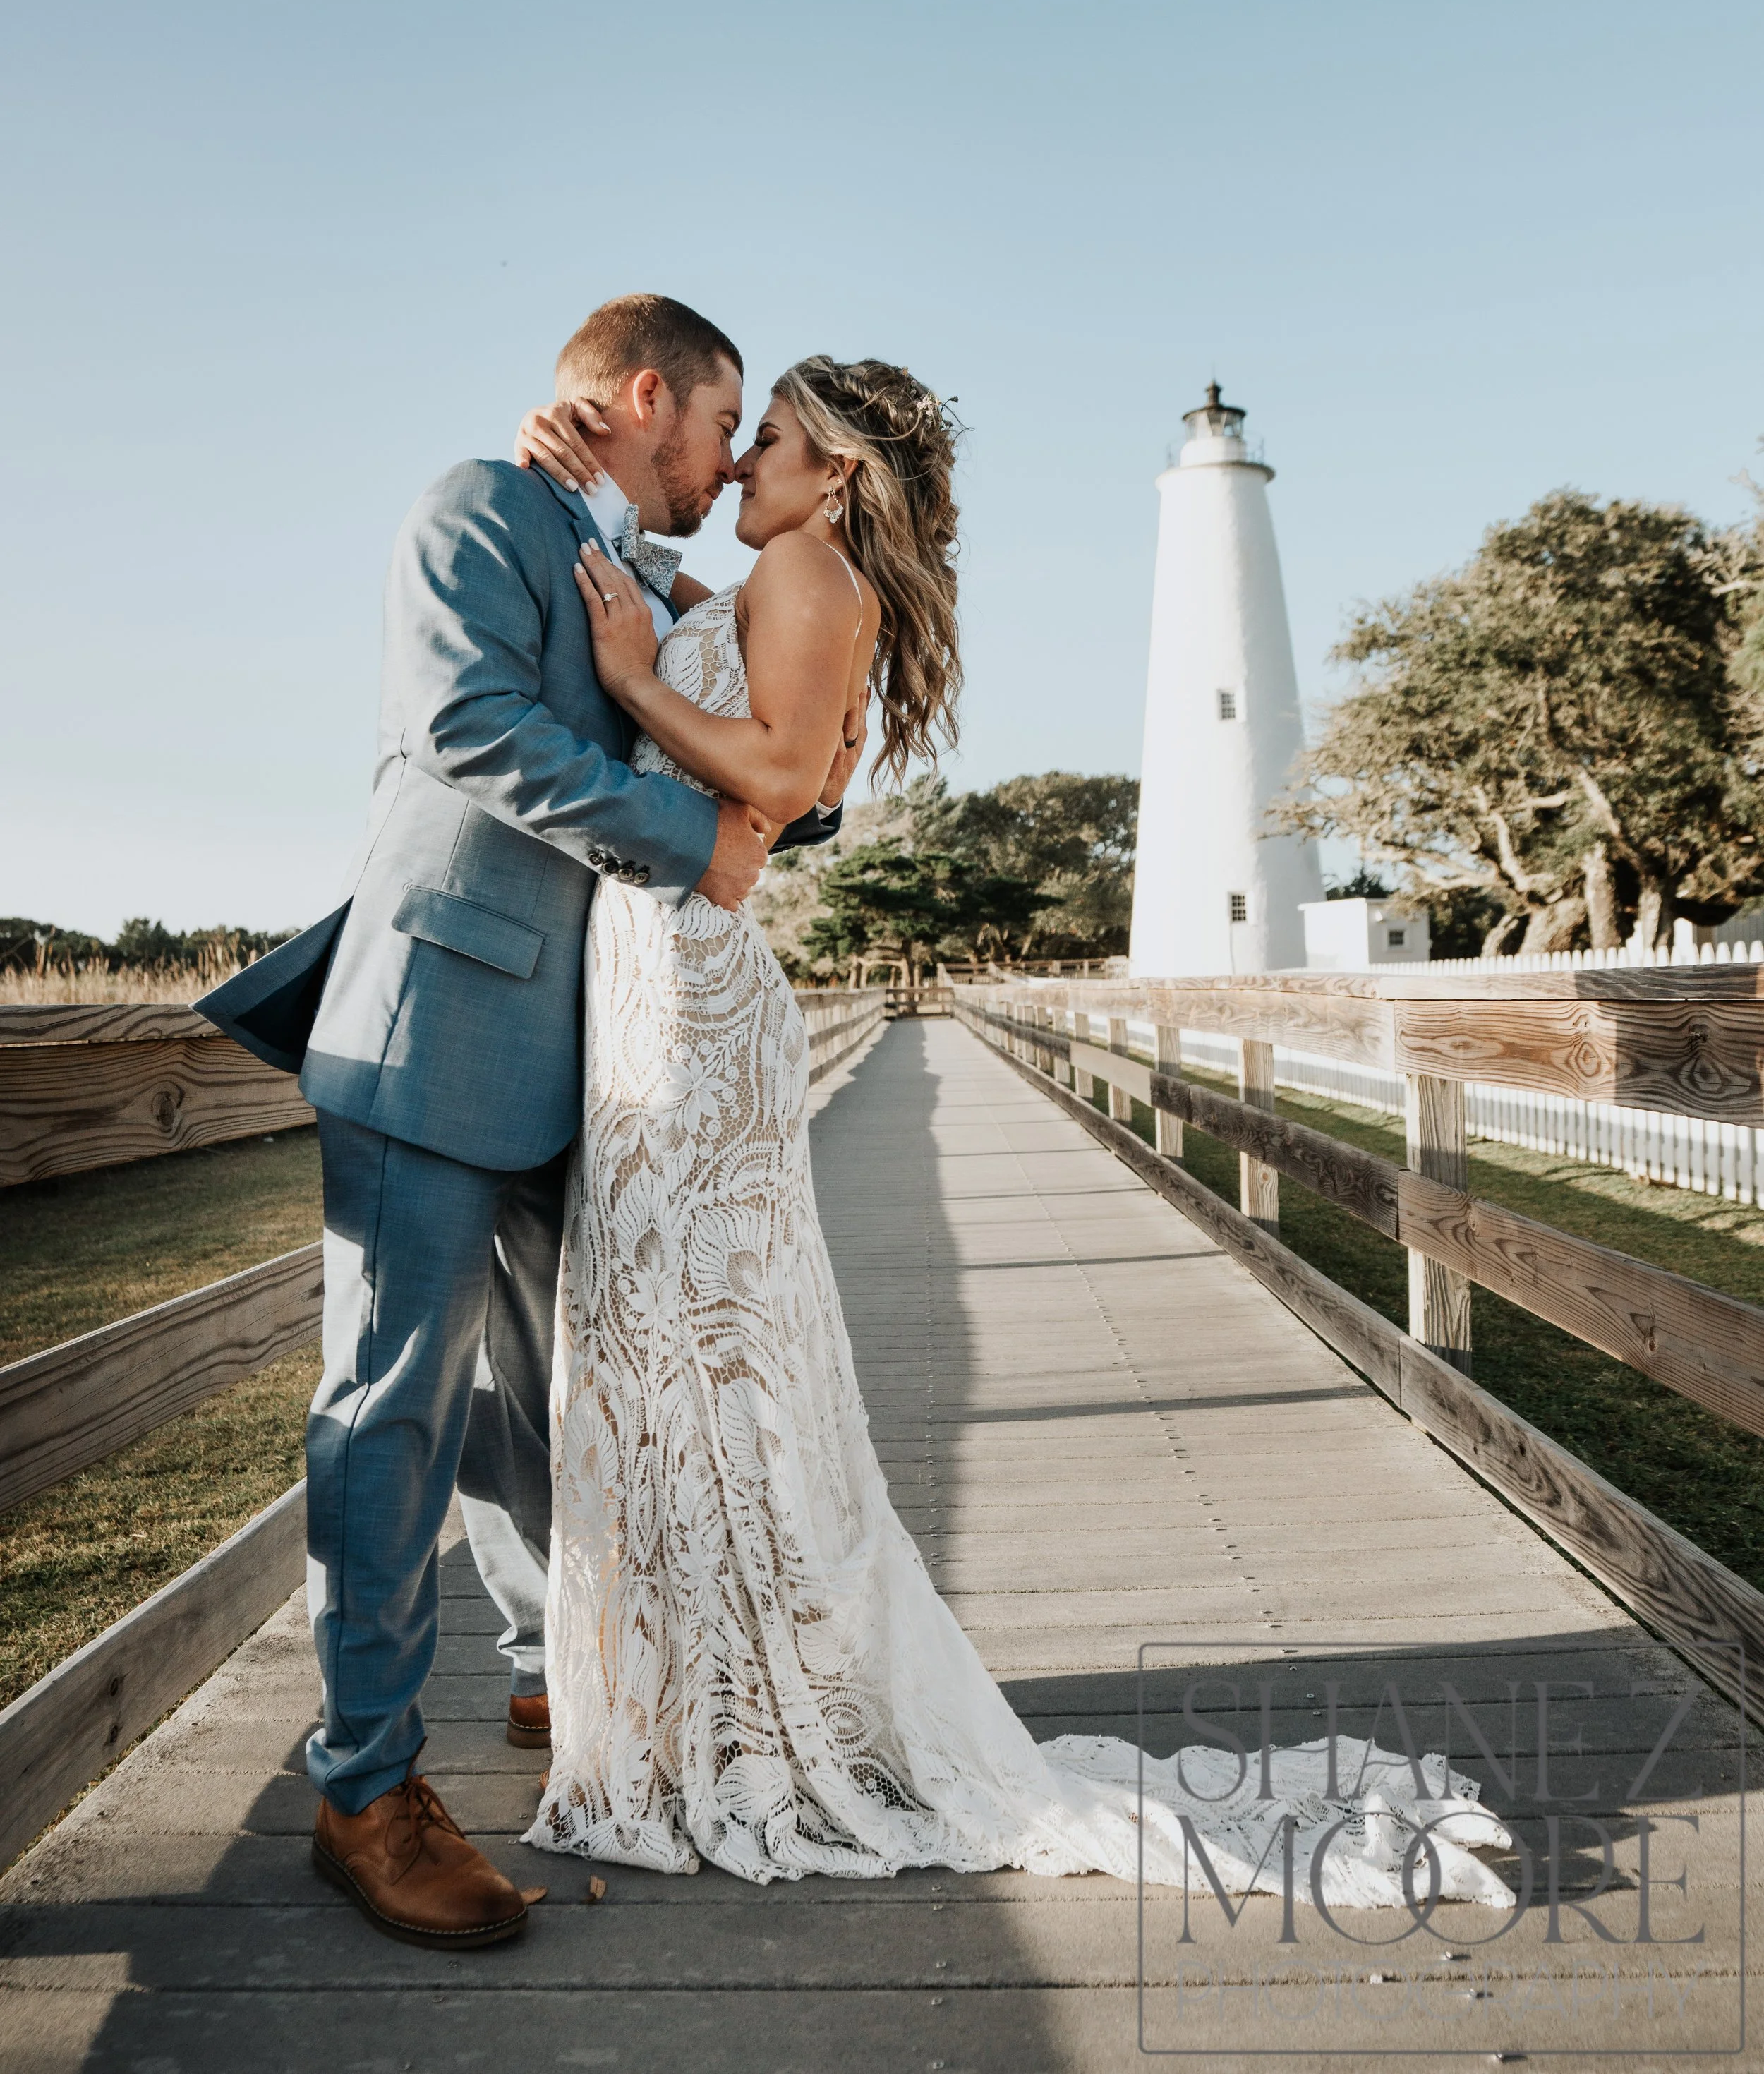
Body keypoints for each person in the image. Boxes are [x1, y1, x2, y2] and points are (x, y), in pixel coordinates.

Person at [509, 358, 1516, 1906]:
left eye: (764, 440)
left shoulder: (803, 567)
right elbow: (671, 606)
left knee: (687, 1349)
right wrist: (596, 513)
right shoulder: (796, 572)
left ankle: (736, 1721)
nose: (737, 465)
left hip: (683, 997)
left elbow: (773, 778)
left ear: (833, 470)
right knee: (683, 1357)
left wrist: (639, 679)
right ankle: (699, 1705)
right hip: (666, 985)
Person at [196, 296, 864, 1949]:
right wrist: (693, 836)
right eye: (716, 430)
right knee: (394, 1409)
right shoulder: (478, 508)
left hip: (594, 1055)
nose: (722, 467)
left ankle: (542, 1670)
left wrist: (767, 736)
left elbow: (789, 768)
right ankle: (362, 1785)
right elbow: (469, 728)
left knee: (563, 1398)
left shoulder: (626, 556)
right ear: (647, 396)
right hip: (436, 1022)